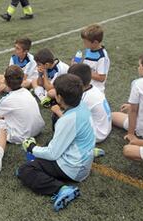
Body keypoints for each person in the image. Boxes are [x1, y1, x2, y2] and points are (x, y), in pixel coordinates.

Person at [17, 74, 95, 211]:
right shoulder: (82, 106)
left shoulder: (67, 120)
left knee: (25, 170)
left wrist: (32, 147)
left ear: (59, 97)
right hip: (84, 160)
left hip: (74, 170)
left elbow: (53, 154)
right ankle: (89, 151)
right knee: (49, 143)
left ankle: (62, 189)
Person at [52, 64, 112, 143]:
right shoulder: (93, 89)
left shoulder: (84, 98)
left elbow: (71, 119)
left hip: (96, 135)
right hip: (104, 129)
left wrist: (58, 112)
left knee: (57, 117)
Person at [0, 65, 44, 144]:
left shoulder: (7, 100)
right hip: (38, 129)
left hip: (22, 136)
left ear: (5, 82)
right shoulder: (27, 92)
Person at [73, 24, 110, 93]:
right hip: (86, 86)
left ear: (95, 42)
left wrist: (82, 70)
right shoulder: (89, 50)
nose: (84, 43)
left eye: (85, 42)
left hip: (95, 91)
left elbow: (101, 78)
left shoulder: (102, 57)